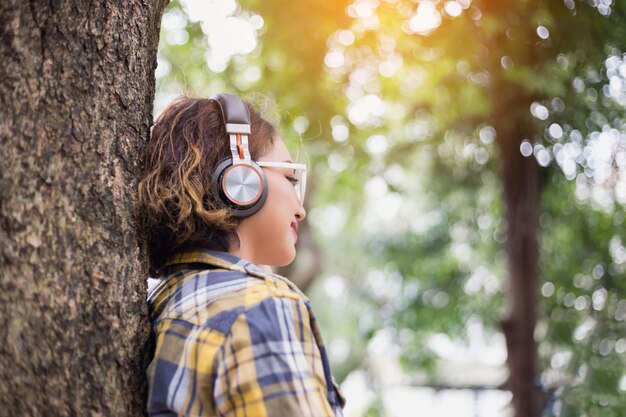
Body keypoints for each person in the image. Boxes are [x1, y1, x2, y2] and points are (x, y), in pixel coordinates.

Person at [138, 94, 345, 417]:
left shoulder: (164, 301)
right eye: (290, 178)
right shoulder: (261, 308)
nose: (300, 209)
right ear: (240, 180)